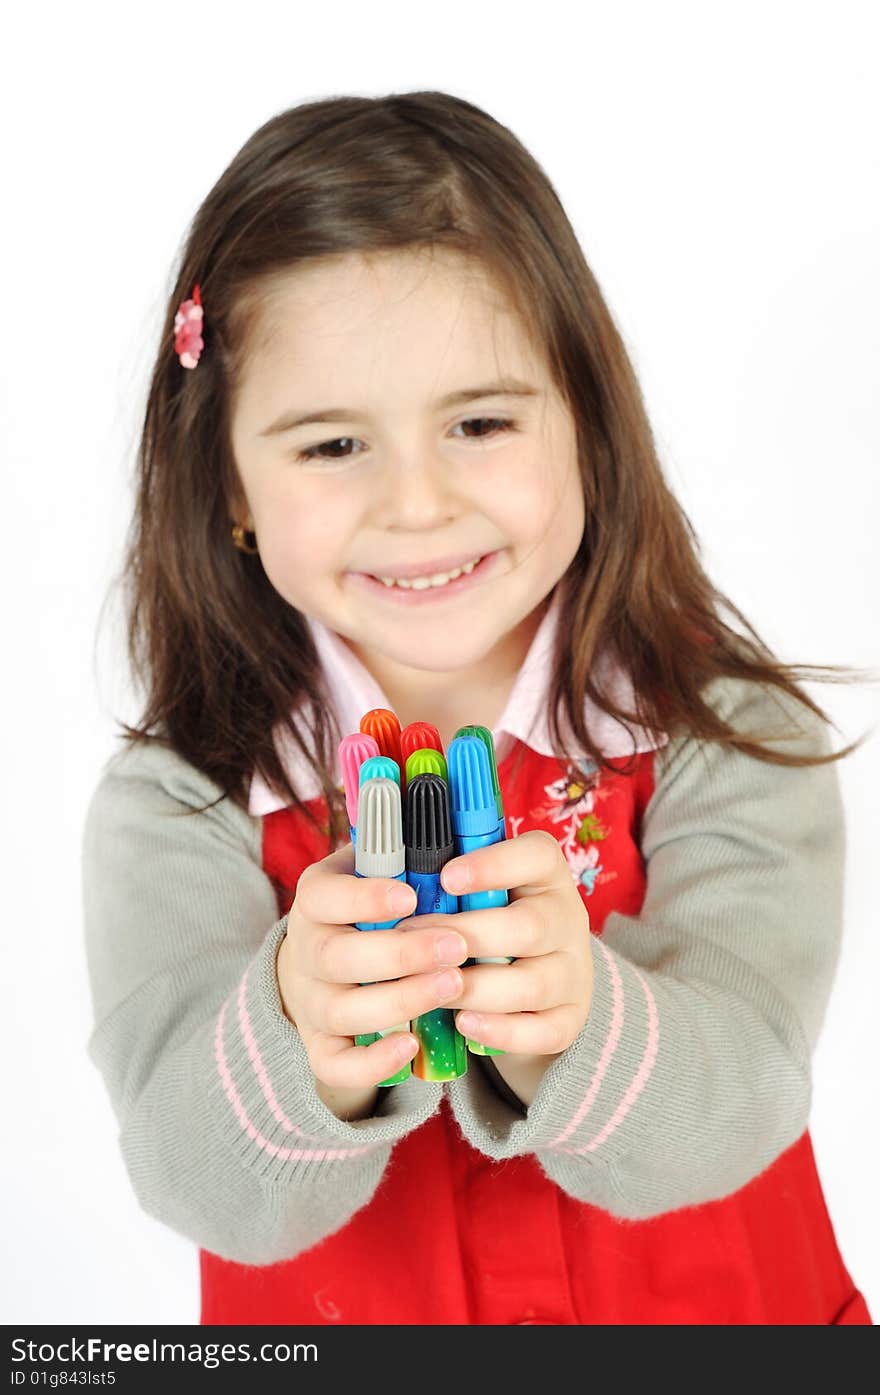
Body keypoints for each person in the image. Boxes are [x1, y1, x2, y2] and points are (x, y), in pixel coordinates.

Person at [81, 90, 874, 1325]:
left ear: (588, 433)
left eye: (481, 422)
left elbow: (745, 1104)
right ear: (226, 487)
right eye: (330, 447)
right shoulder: (185, 802)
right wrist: (305, 1033)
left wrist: (579, 1026)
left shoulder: (728, 740)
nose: (417, 504)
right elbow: (196, 1185)